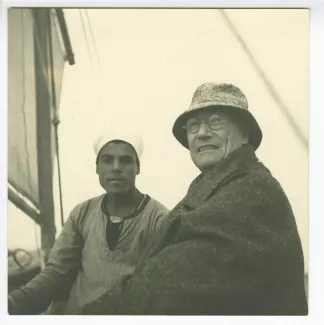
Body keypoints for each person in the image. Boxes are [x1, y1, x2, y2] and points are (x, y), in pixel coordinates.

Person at [81, 83, 308, 315]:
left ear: (245, 134)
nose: (202, 133)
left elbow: (163, 288)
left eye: (216, 121)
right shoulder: (219, 188)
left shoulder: (250, 192)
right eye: (193, 126)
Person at [8, 131, 169, 315]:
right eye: (107, 160)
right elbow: (55, 275)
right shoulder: (82, 213)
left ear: (137, 168)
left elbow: (157, 290)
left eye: (125, 161)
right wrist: (12, 303)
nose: (116, 168)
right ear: (97, 168)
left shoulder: (160, 219)